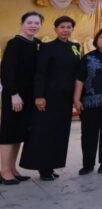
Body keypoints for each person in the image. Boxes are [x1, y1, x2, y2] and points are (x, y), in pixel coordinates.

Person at [20, 16, 81, 180]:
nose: (65, 30)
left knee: (60, 133)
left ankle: (52, 165)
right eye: (62, 27)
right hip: (49, 97)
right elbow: (40, 73)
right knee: (45, 132)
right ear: (55, 29)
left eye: (69, 27)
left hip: (65, 98)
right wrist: (39, 96)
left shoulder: (75, 47)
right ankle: (43, 167)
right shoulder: (47, 47)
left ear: (72, 29)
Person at [0, 11, 42, 184]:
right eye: (29, 22)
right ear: (22, 24)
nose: (33, 26)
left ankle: (12, 168)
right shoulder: (15, 44)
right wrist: (13, 94)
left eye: (37, 23)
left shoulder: (37, 44)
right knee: (9, 132)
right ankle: (4, 171)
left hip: (29, 96)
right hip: (14, 95)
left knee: (19, 133)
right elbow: (6, 71)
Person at [74, 28, 102, 175]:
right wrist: (76, 99)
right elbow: (79, 79)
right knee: (88, 135)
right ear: (96, 40)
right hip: (89, 102)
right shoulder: (88, 57)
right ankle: (88, 164)